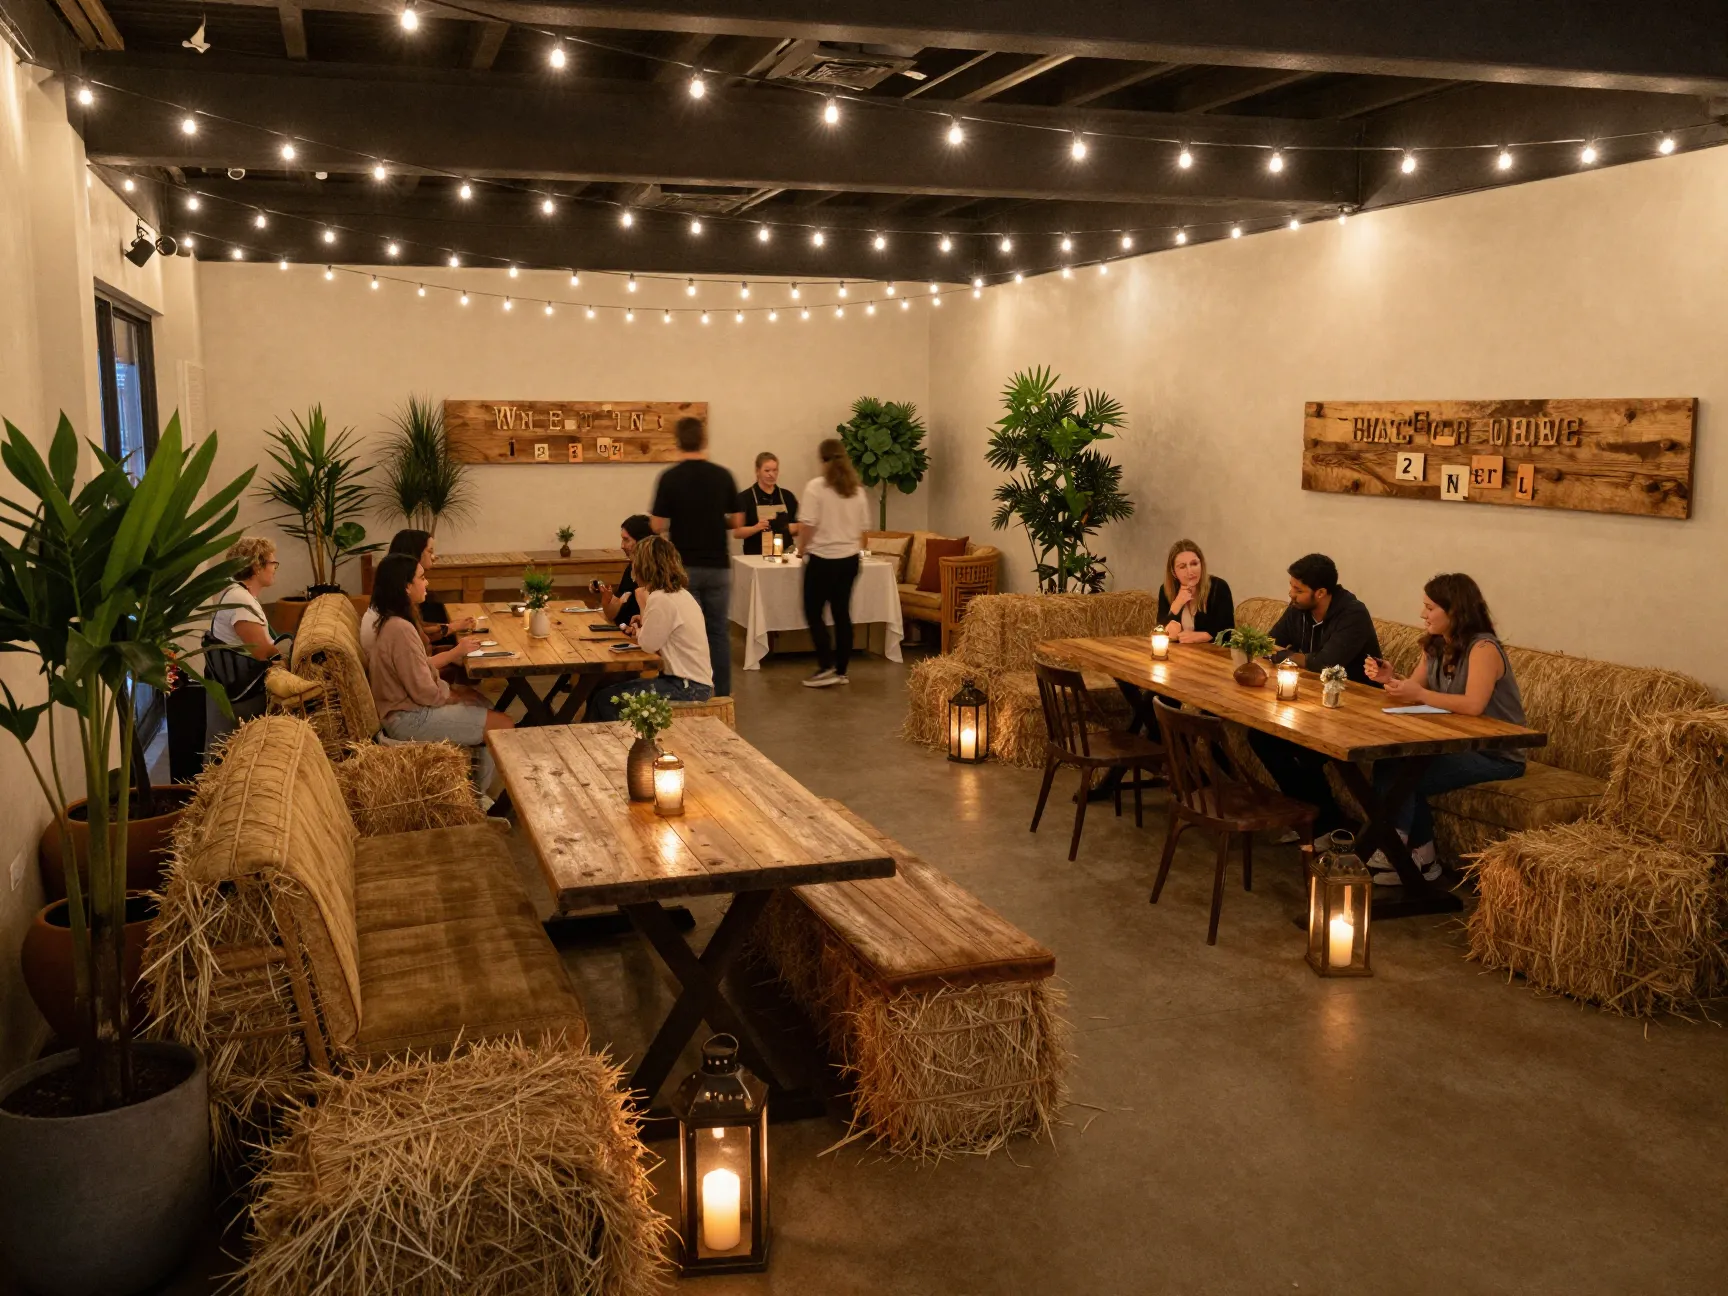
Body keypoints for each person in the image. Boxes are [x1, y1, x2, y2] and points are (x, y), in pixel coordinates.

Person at [1363, 573, 1527, 885]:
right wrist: (1389, 679)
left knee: (1405, 772)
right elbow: (1414, 688)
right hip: (1452, 744)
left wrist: (1418, 695)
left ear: (1455, 611)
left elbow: (1473, 705)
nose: (1422, 614)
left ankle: (1397, 848)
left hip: (1496, 753)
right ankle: (1418, 857)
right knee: (1390, 762)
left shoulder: (1483, 649)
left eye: (1429, 608)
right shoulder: (1435, 645)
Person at [1248, 554, 1384, 836]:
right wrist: (1287, 655)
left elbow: (1325, 663)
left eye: (1298, 589)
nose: (1291, 594)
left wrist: (1284, 655)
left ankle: (1326, 827)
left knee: (1304, 749)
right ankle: (1314, 821)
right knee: (1260, 736)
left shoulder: (1353, 614)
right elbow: (1268, 641)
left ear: (1321, 593)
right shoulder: (1298, 608)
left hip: (1353, 708)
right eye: (1291, 586)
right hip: (1310, 702)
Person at [366, 552, 507, 793]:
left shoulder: (394, 621)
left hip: (406, 710)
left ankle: (474, 794)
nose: (426, 582)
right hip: (406, 719)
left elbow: (421, 671)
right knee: (502, 725)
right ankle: (478, 803)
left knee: (485, 704)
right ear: (406, 587)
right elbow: (424, 692)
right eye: (421, 578)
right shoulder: (399, 629)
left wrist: (455, 693)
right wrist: (456, 696)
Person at [650, 416, 740, 697]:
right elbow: (738, 520)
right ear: (704, 440)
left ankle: (695, 691)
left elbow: (656, 526)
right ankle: (722, 694)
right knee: (718, 632)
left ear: (678, 442)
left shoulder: (670, 477)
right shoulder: (723, 475)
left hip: (684, 566)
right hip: (718, 566)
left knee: (690, 635)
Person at [587, 535, 714, 721]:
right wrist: (645, 623)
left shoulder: (660, 598)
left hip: (687, 688)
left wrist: (640, 624)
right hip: (694, 683)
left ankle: (609, 746)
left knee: (606, 700)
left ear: (644, 567)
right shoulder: (680, 594)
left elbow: (648, 644)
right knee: (604, 690)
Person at [795, 439, 872, 688]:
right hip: (849, 560)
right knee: (841, 613)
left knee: (812, 611)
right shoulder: (857, 490)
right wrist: (856, 549)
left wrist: (801, 548)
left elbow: (807, 525)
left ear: (822, 460)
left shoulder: (816, 488)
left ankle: (826, 665)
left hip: (822, 560)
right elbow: (864, 530)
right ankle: (841, 670)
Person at [203, 536, 291, 747]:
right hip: (243, 693)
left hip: (237, 690)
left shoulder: (240, 595)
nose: (275, 568)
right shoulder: (240, 600)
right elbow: (261, 652)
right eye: (272, 563)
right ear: (256, 566)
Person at [360, 529, 475, 658]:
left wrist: (453, 629)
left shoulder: (391, 602)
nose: (434, 557)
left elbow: (420, 634)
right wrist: (454, 647)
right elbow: (420, 665)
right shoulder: (395, 622)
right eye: (430, 551)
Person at [1155, 539, 1235, 643]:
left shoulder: (1218, 587)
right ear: (1174, 572)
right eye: (1182, 567)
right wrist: (1177, 605)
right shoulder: (1166, 590)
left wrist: (1201, 636)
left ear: (1201, 564)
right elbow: (1161, 633)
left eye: (1194, 564)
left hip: (1212, 655)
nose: (1190, 571)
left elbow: (1227, 632)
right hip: (1178, 655)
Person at [733, 452, 800, 557]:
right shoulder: (744, 497)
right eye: (767, 471)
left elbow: (798, 528)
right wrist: (756, 528)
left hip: (786, 555)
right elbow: (737, 533)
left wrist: (785, 527)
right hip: (755, 556)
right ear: (757, 471)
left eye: (775, 470)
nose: (771, 474)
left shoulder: (787, 496)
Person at [593, 515, 654, 628]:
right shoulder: (630, 569)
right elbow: (611, 615)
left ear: (642, 542)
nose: (622, 546)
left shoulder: (656, 574)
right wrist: (607, 599)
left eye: (626, 540)